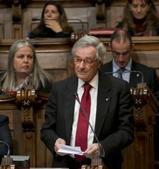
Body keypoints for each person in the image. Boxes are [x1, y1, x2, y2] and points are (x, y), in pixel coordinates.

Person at [41, 35, 134, 169]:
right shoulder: (60, 89)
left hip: (102, 163)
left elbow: (126, 131)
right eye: (77, 60)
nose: (81, 66)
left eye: (87, 61)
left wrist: (102, 147)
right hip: (66, 163)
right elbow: (46, 129)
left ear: (99, 63)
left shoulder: (118, 89)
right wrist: (55, 141)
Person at [100, 29, 159, 164]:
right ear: (109, 48)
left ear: (132, 48)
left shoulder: (147, 74)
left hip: (139, 136)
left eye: (125, 53)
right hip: (107, 138)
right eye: (116, 54)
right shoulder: (100, 73)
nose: (121, 59)